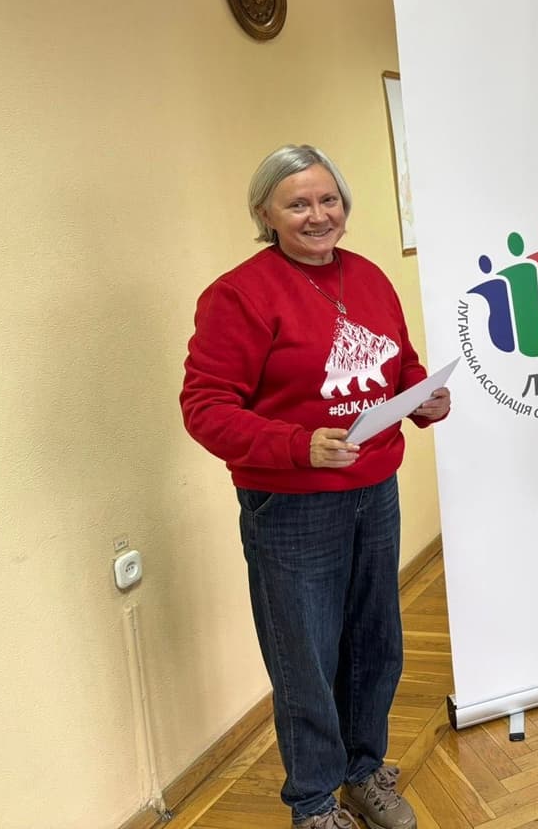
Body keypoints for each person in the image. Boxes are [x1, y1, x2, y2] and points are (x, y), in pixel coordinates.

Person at [181, 144, 449, 829]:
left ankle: (363, 772)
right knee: (304, 656)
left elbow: (397, 363)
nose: (318, 214)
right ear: (264, 213)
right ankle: (312, 802)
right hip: (291, 505)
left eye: (328, 200)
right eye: (298, 203)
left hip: (374, 487)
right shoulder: (238, 295)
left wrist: (421, 399)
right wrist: (298, 445)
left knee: (375, 642)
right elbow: (205, 408)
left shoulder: (368, 277)